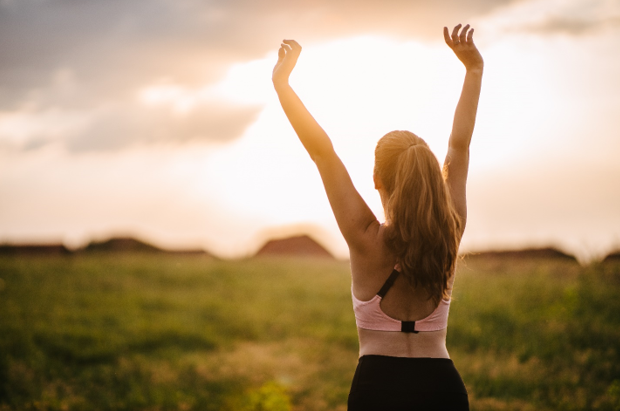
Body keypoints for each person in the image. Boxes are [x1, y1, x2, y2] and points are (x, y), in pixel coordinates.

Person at [272, 23, 483, 411]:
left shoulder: (364, 237)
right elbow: (460, 147)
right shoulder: (448, 230)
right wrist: (473, 71)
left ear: (375, 179)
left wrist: (283, 84)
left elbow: (323, 153)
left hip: (377, 388)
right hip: (442, 388)